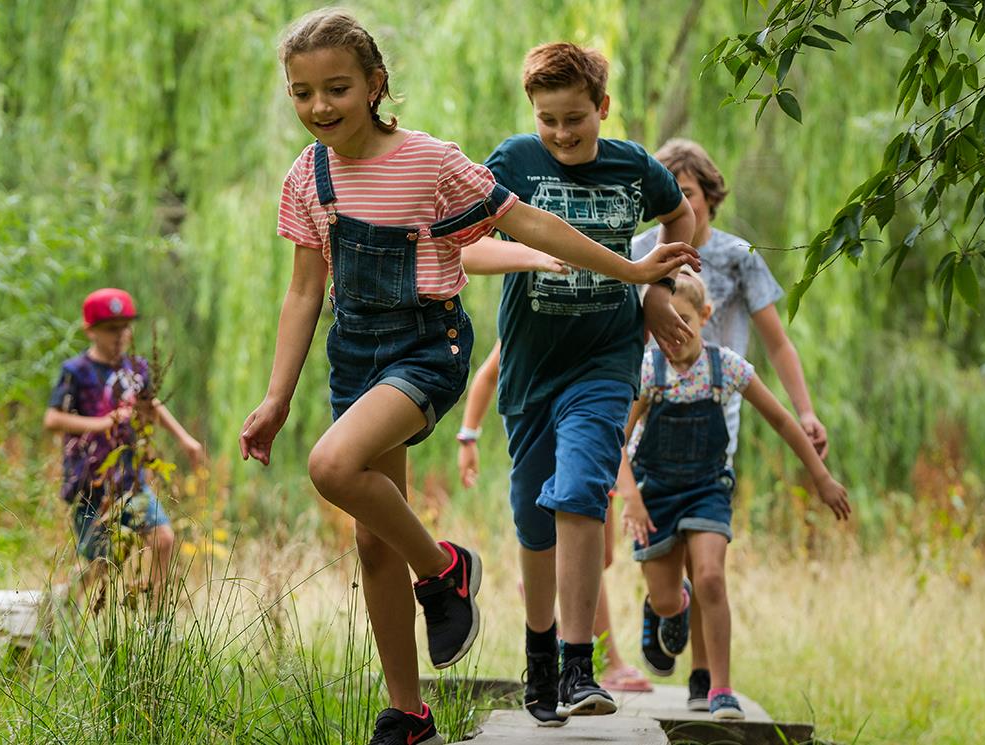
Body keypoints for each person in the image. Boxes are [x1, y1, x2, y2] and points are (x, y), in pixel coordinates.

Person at [237, 11, 699, 744]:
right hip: (355, 354)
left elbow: (532, 224)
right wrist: (275, 396)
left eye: (337, 88)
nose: (320, 107)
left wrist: (635, 272)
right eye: (302, 93)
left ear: (374, 84)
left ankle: (445, 568)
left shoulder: (429, 161)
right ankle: (410, 713)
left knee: (332, 463)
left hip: (427, 348)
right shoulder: (308, 175)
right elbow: (303, 291)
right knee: (370, 542)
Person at [473, 41, 698, 725]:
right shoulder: (513, 162)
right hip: (531, 372)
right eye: (549, 120)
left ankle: (578, 664)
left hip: (604, 363)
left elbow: (678, 218)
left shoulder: (635, 167)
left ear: (602, 108)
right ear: (532, 114)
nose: (563, 134)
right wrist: (532, 252)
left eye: (576, 118)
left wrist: (657, 287)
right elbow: (466, 244)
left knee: (577, 493)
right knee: (533, 520)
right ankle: (539, 657)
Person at [630, 138, 831, 708]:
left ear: (709, 199)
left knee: (708, 562)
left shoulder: (738, 257)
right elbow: (625, 340)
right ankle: (663, 605)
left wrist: (806, 410)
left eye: (687, 195)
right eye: (668, 197)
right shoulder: (643, 251)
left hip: (720, 419)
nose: (680, 209)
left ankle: (705, 679)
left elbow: (778, 341)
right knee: (676, 566)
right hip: (655, 420)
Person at [616, 270, 851, 720]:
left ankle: (721, 688)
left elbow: (783, 421)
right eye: (666, 323)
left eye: (684, 320)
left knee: (711, 578)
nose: (675, 333)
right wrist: (630, 497)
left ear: (705, 316)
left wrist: (820, 477)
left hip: (707, 488)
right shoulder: (648, 370)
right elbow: (617, 442)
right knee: (668, 598)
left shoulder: (727, 367)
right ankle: (670, 605)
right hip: (656, 494)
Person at [455, 341, 652, 693]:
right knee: (578, 548)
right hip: (560, 451)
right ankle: (606, 661)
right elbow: (487, 375)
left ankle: (544, 584)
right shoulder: (534, 317)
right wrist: (468, 438)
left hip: (594, 438)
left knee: (602, 556)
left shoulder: (608, 313)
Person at [44, 288, 207, 609]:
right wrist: (102, 423)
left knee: (163, 539)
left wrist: (184, 438)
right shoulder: (76, 371)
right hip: (89, 483)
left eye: (125, 327)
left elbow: (151, 403)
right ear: (90, 330)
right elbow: (52, 419)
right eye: (110, 329)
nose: (119, 336)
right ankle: (57, 613)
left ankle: (156, 623)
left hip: (131, 479)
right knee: (98, 563)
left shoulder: (137, 368)